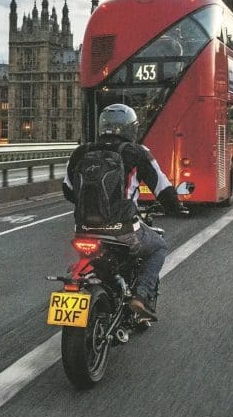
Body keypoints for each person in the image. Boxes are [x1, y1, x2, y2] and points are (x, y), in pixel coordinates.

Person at [62, 103, 183, 321]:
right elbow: (162, 189)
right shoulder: (137, 153)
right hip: (122, 230)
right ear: (131, 129)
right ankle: (141, 295)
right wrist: (175, 206)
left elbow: (68, 191)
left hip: (84, 230)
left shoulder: (81, 152)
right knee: (158, 247)